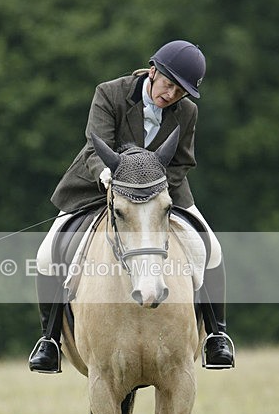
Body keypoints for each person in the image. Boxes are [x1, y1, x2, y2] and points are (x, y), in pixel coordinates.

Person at [28, 40, 235, 373]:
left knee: (210, 249)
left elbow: (182, 162)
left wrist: (152, 187)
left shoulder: (187, 112)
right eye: (169, 85)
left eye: (180, 92)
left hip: (161, 193)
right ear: (153, 71)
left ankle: (216, 335)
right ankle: (49, 339)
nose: (171, 95)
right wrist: (110, 176)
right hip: (100, 185)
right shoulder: (110, 93)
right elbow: (95, 146)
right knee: (47, 252)